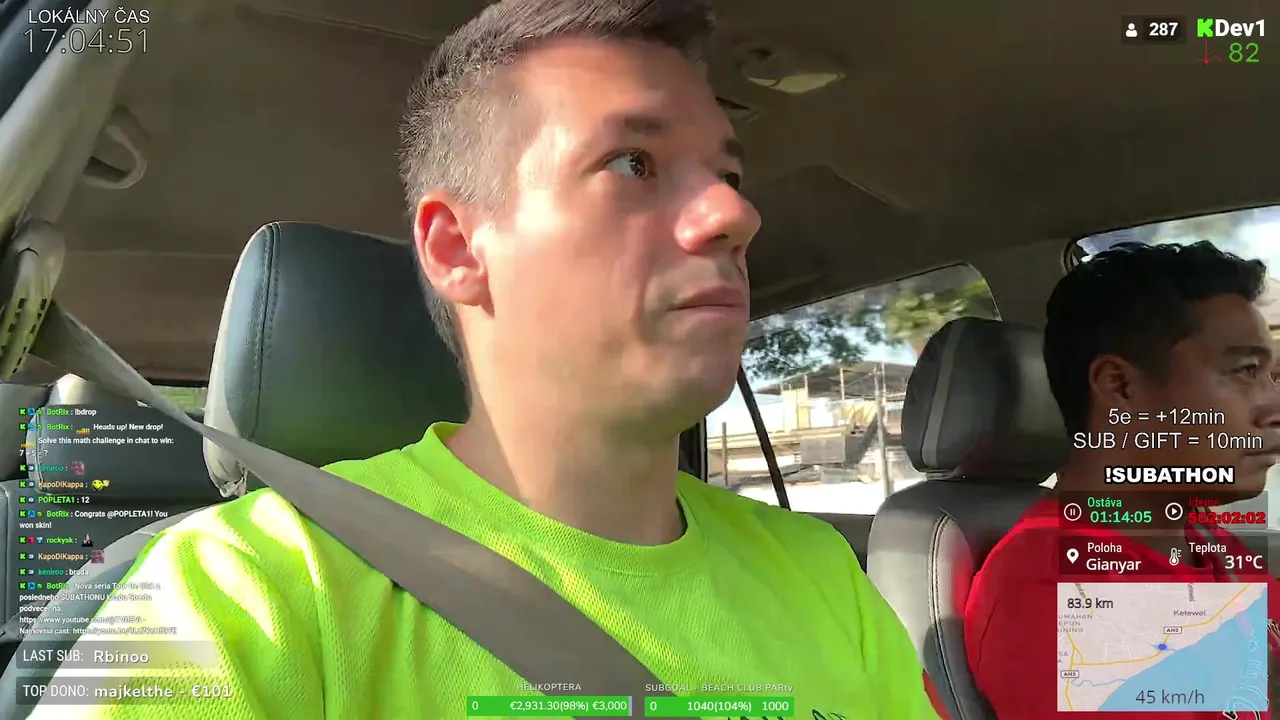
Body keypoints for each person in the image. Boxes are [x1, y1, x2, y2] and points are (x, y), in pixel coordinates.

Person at [36, 1, 943, 717]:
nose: (736, 215)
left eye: (730, 176)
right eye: (633, 163)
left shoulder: (823, 575)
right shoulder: (239, 592)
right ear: (458, 250)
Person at [965, 241, 1280, 718]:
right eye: (1245, 371)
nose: (1273, 407)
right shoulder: (1061, 594)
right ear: (1119, 385)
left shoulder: (1194, 534)